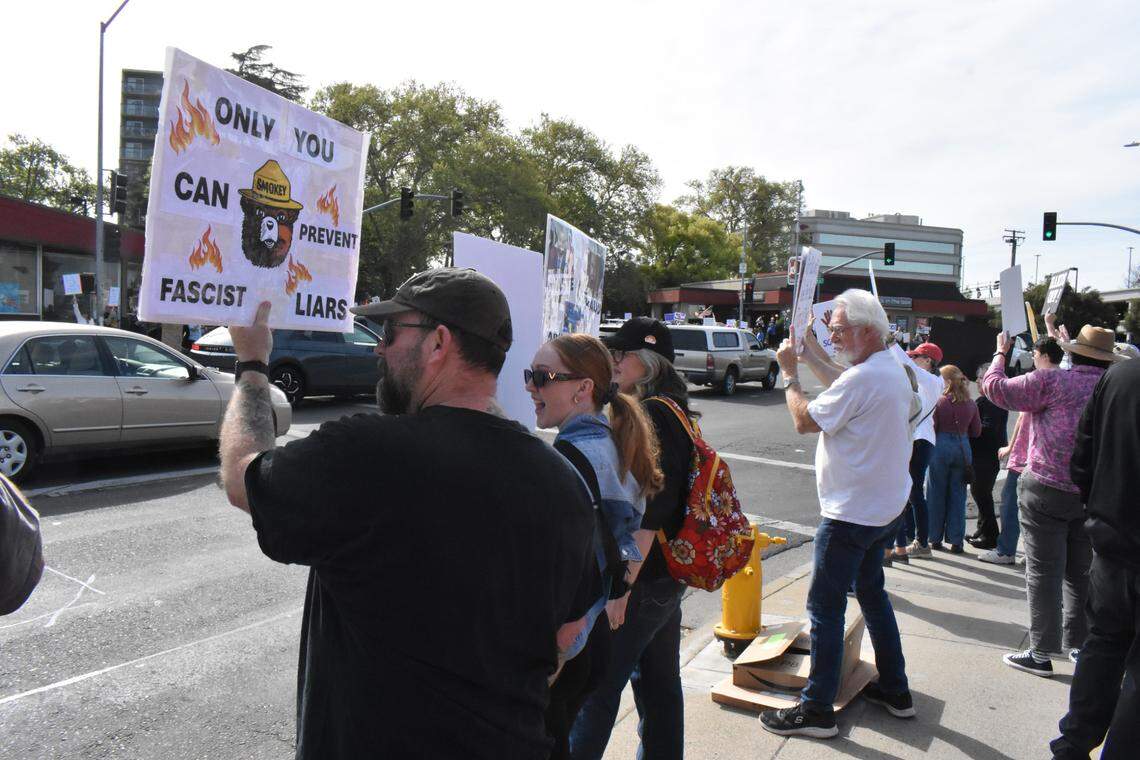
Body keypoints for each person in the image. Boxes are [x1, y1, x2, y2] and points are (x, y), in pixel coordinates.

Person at [217, 268, 595, 759]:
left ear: (438, 343)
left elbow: (242, 475)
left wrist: (251, 365)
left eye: (392, 333)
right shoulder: (563, 482)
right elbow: (567, 637)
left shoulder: (368, 454)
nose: (379, 348)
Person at [760, 289, 914, 738]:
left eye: (839, 329)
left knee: (824, 609)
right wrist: (808, 354)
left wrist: (790, 375)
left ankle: (816, 709)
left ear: (868, 331)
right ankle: (897, 690)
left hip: (852, 514)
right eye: (831, 329)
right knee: (872, 594)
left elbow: (805, 420)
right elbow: (842, 386)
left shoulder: (865, 378)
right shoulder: (888, 368)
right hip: (882, 508)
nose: (833, 335)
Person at [527, 333, 663, 760]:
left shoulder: (568, 458)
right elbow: (628, 537)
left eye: (543, 377)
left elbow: (560, 566)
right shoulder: (615, 442)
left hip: (570, 643)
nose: (531, 386)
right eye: (529, 375)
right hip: (595, 633)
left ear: (583, 388)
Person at [571, 317, 693, 760]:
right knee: (660, 684)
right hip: (664, 578)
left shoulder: (654, 413)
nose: (614, 361)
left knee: (597, 690)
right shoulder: (668, 407)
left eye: (622, 355)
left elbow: (653, 511)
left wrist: (621, 586)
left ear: (648, 361)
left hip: (642, 577)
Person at [983, 325, 1118, 677]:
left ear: (1075, 351)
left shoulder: (1054, 381)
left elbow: (995, 388)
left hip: (1046, 485)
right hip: (1091, 493)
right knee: (1080, 572)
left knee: (1044, 572)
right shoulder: (1114, 387)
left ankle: (1041, 652)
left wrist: (1001, 353)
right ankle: (1080, 645)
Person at [1050, 354, 1140, 758]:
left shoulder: (1121, 376)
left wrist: (1099, 511)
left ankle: (1073, 744)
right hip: (1113, 537)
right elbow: (1083, 458)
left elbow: (1081, 458)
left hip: (1111, 538)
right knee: (1111, 652)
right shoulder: (1120, 375)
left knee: (1103, 644)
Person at [977, 337, 1064, 564]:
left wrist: (1000, 353)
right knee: (1029, 509)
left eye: (1035, 355)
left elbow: (995, 386)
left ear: (1044, 356)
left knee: (1013, 506)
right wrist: (1011, 446)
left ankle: (1007, 550)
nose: (1032, 359)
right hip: (1032, 457)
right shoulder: (1067, 382)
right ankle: (1031, 550)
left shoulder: (1039, 383)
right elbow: (1021, 421)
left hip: (1029, 459)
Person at [894, 342, 945, 561]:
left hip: (920, 440)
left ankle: (921, 543)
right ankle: (908, 541)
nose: (913, 359)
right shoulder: (930, 381)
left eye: (917, 356)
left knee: (914, 493)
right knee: (910, 493)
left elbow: (907, 365)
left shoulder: (932, 381)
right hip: (918, 439)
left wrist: (890, 343)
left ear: (928, 361)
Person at [926, 365, 982, 553]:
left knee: (936, 493)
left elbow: (932, 427)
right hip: (962, 447)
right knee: (958, 495)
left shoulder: (940, 402)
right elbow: (976, 431)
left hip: (941, 446)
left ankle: (934, 538)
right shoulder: (971, 403)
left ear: (947, 381)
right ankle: (956, 540)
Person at [967, 363, 1009, 550]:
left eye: (981, 378)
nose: (977, 381)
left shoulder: (991, 401)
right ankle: (982, 529)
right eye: (977, 378)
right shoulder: (991, 400)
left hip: (985, 455)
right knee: (980, 493)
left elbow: (988, 429)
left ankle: (990, 535)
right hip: (986, 455)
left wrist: (969, 429)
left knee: (981, 493)